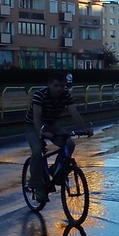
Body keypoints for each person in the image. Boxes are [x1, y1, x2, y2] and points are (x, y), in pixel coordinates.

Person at [24, 72, 92, 203]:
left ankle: (55, 170)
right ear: (49, 85)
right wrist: (42, 132)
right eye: (56, 85)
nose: (59, 89)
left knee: (69, 143)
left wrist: (84, 129)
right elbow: (36, 118)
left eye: (62, 86)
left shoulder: (66, 95)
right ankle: (37, 185)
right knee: (38, 150)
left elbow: (74, 112)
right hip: (33, 125)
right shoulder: (40, 95)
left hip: (51, 124)